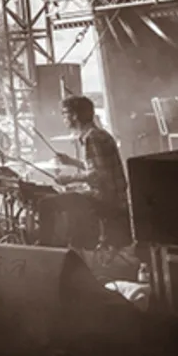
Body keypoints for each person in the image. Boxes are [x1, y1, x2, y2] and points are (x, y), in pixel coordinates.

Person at [39, 95, 131, 249]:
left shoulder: (92, 138)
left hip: (105, 198)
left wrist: (69, 179)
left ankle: (48, 251)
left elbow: (98, 175)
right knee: (67, 197)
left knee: (46, 204)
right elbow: (99, 167)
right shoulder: (99, 134)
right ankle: (75, 244)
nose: (63, 118)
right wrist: (71, 162)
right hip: (110, 195)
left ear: (74, 115)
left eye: (64, 113)